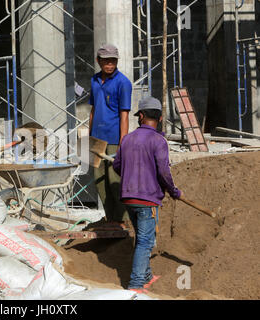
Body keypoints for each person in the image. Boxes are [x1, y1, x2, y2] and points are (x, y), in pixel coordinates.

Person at [112, 96, 182, 293]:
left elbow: (117, 165)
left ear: (140, 116)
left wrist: (130, 178)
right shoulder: (159, 141)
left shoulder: (126, 139)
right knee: (145, 241)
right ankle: (135, 285)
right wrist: (173, 191)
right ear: (159, 119)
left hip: (128, 198)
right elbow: (164, 171)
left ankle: (147, 276)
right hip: (147, 199)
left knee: (142, 238)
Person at [89, 43, 132, 228]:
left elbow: (124, 115)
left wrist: (123, 142)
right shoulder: (94, 80)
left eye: (113, 61)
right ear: (98, 61)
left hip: (114, 139)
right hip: (97, 139)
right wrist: (89, 138)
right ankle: (111, 218)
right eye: (106, 61)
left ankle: (123, 220)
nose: (110, 64)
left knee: (115, 180)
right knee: (99, 181)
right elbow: (93, 110)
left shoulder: (123, 83)